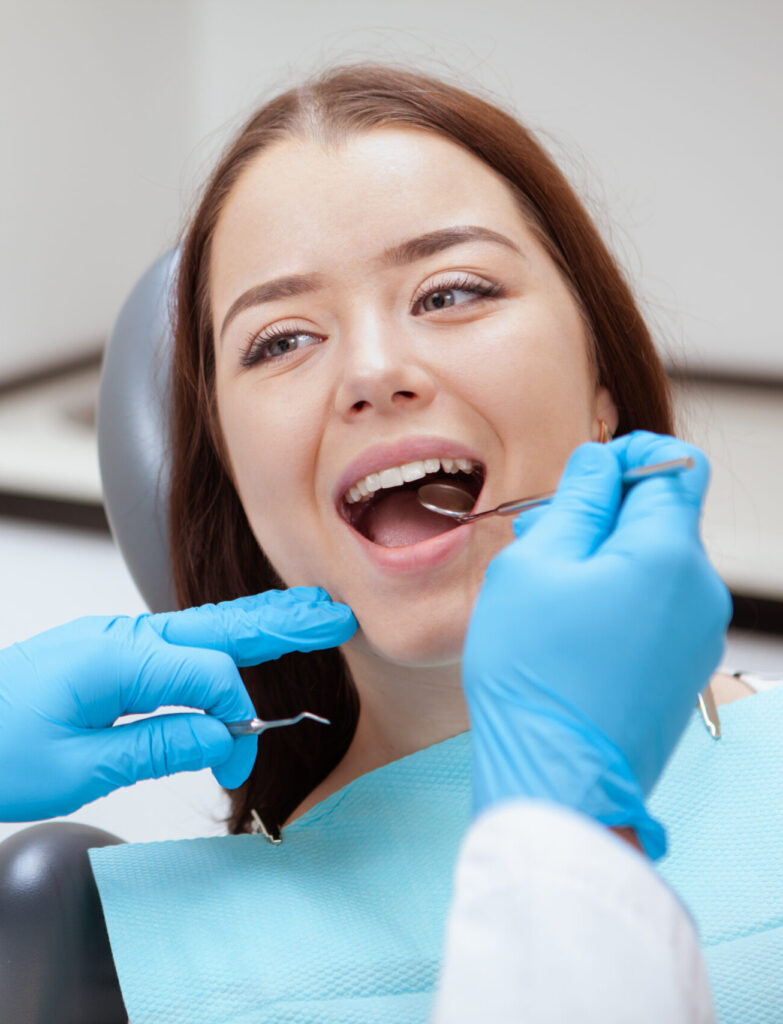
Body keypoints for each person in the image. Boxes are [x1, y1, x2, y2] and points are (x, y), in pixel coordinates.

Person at [0, 61, 760, 1021]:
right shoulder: (96, 962)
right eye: (279, 340)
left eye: (450, 292)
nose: (372, 371)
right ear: (231, 477)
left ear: (601, 389)